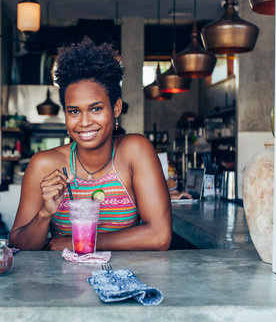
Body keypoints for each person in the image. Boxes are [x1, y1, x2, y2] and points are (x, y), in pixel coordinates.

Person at [9, 38, 172, 251]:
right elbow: (20, 244)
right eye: (74, 111)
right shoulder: (45, 164)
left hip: (126, 279)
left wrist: (80, 243)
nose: (84, 122)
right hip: (63, 281)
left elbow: (160, 237)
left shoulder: (135, 151)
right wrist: (45, 214)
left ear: (115, 108)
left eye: (96, 109)